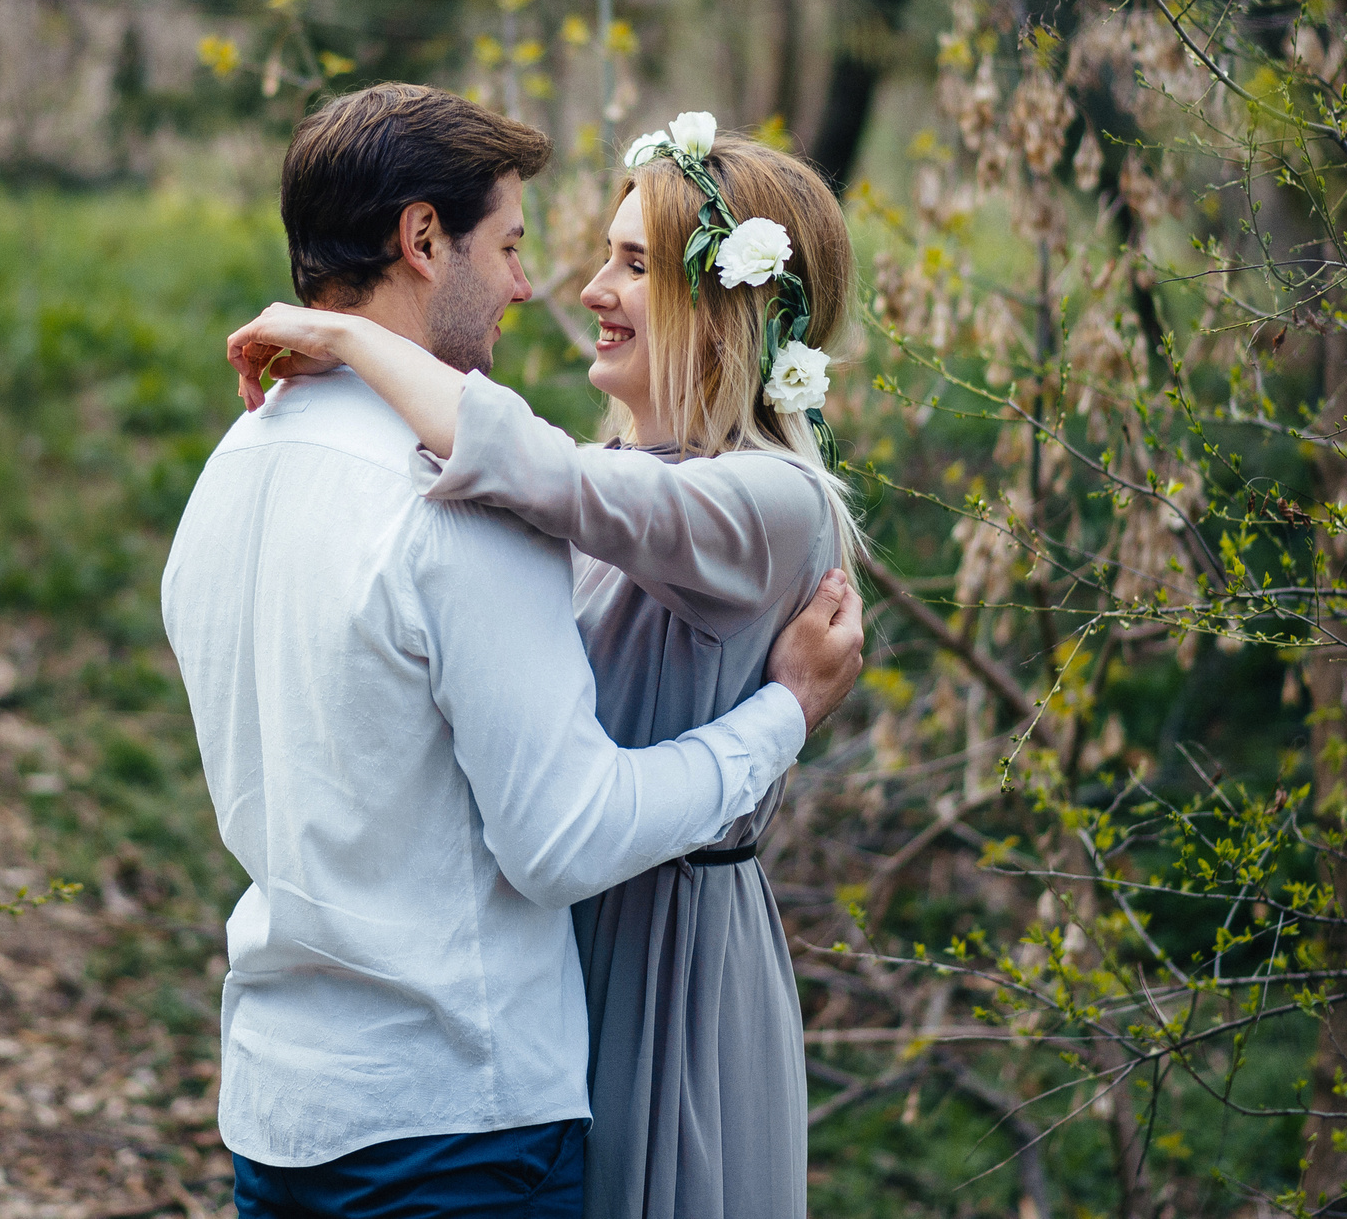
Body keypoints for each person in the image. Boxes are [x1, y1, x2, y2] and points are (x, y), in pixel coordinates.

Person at [163, 86, 866, 1219]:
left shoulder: (239, 465)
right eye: (519, 244)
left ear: (724, 302)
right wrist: (778, 716)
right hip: (473, 1072)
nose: (563, 287)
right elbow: (563, 827)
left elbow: (547, 475)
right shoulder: (479, 503)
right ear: (422, 240)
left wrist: (342, 333)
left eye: (632, 262)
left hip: (631, 979)